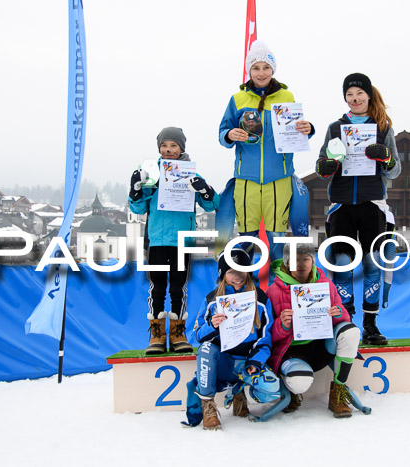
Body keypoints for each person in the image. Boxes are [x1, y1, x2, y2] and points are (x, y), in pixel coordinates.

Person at [315, 73, 401, 345]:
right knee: (342, 264)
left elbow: (396, 170)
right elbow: (321, 166)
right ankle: (345, 321)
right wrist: (326, 166)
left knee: (372, 263)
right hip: (341, 205)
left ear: (369, 96)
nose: (354, 99)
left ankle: (371, 324)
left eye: (359, 94)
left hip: (373, 203)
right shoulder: (335, 128)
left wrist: (385, 157)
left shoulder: (383, 127)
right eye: (349, 95)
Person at [218, 40, 314, 266]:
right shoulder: (237, 99)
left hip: (278, 180)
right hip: (246, 180)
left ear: (273, 70)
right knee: (247, 240)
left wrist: (308, 129)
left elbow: (296, 131)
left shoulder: (286, 97)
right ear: (249, 70)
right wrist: (230, 134)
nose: (261, 73)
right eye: (256, 68)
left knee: (277, 241)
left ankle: (277, 291)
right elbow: (222, 132)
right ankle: (245, 290)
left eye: (266, 67)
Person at [128, 127, 220, 354]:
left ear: (182, 149)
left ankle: (178, 333)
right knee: (157, 287)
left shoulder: (191, 174)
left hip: (182, 241)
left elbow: (211, 204)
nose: (168, 150)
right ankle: (157, 336)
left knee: (178, 287)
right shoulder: (151, 172)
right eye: (164, 146)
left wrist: (204, 189)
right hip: (157, 240)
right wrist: (136, 189)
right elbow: (138, 207)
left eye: (173, 146)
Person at [267, 243, 361, 418]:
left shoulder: (326, 285)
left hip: (321, 347)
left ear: (313, 262)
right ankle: (291, 390)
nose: (301, 264)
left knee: (351, 332)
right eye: (296, 260)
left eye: (306, 259)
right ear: (287, 263)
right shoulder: (273, 291)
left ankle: (338, 391)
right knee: (299, 382)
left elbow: (344, 318)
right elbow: (267, 335)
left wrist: (338, 312)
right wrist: (282, 325)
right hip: (292, 351)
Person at [190, 248, 280, 430]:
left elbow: (265, 338)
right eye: (231, 271)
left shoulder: (261, 299)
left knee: (272, 390)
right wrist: (211, 326)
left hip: (245, 362)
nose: (237, 276)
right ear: (223, 274)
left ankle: (239, 390)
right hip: (222, 360)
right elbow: (195, 337)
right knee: (207, 348)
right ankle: (207, 404)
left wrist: (256, 361)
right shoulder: (212, 299)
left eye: (241, 270)